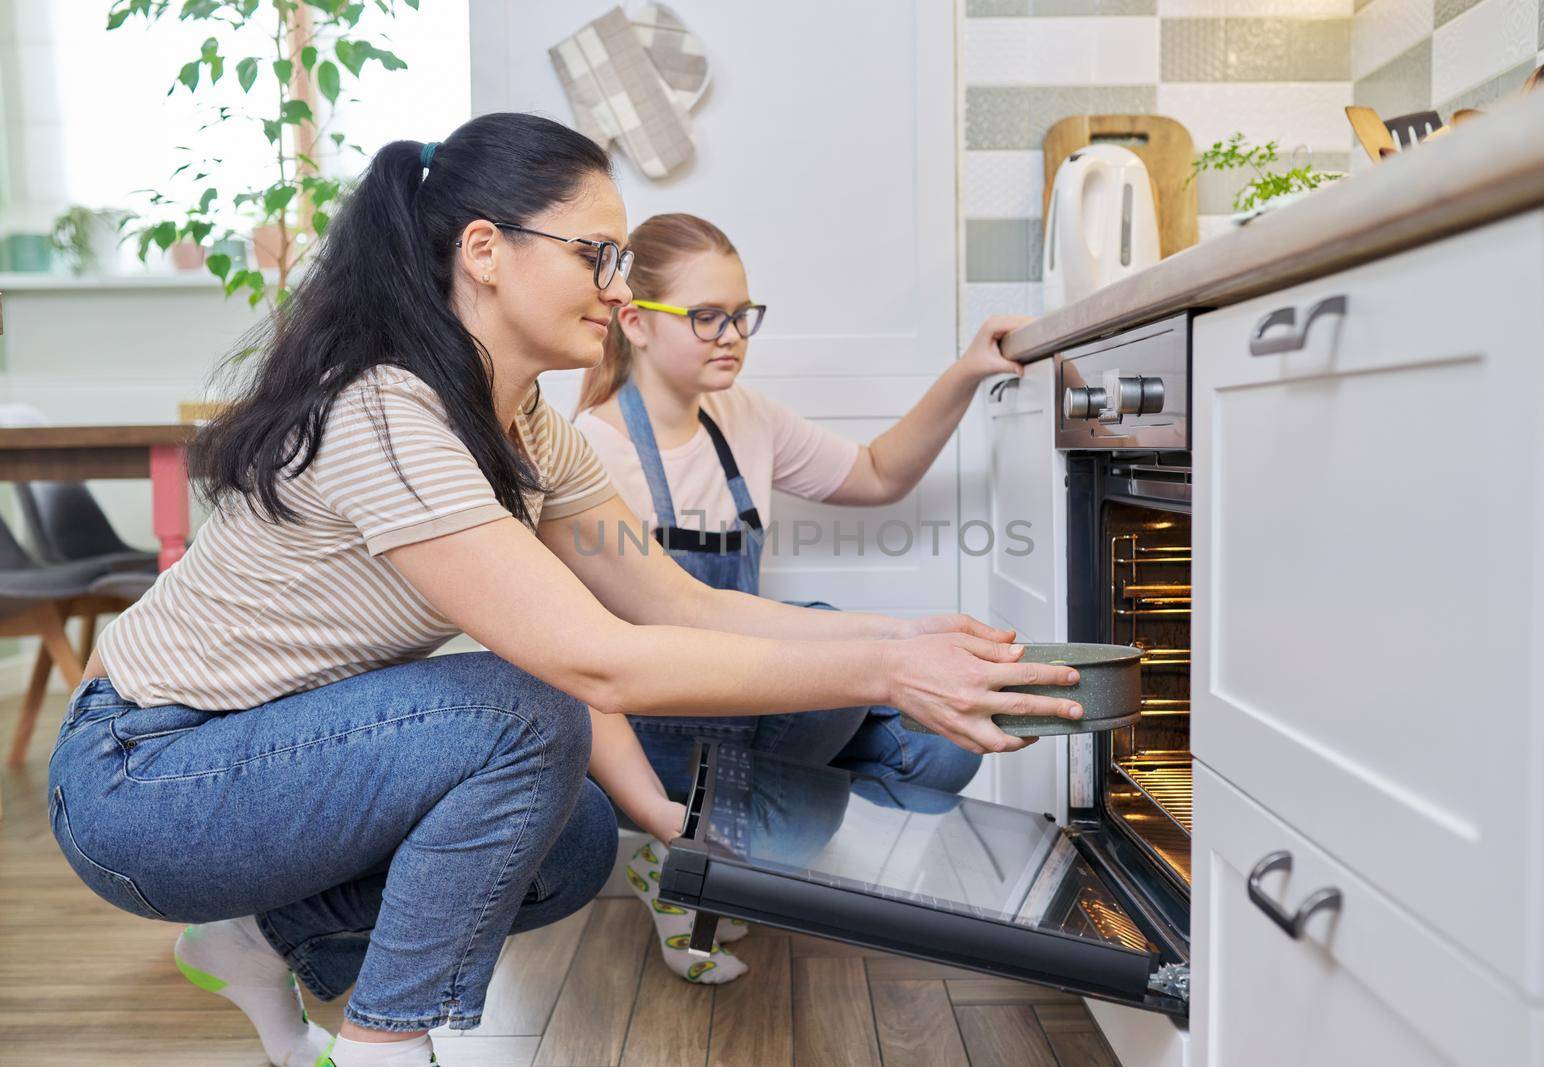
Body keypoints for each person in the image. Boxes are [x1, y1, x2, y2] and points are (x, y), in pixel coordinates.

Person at [44, 114, 1084, 1067]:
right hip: (145, 777)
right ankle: (380, 1044)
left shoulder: (532, 432)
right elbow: (591, 657)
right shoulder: (387, 410)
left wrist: (914, 635)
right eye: (596, 255)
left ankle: (259, 931)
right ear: (486, 251)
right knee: (528, 709)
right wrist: (887, 664)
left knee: (576, 838)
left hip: (268, 763)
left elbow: (676, 601)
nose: (620, 289)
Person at [571, 212, 1036, 983]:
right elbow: (611, 650)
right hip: (656, 720)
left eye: (742, 315)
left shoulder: (743, 416)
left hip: (745, 698)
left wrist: (965, 371)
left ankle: (723, 854)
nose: (732, 336)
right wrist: (882, 644)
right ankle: (689, 851)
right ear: (635, 323)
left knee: (944, 740)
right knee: (827, 659)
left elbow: (880, 473)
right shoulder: (594, 450)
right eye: (706, 317)